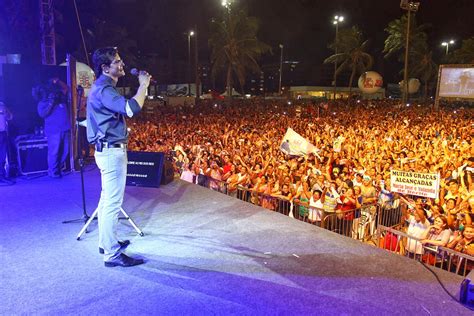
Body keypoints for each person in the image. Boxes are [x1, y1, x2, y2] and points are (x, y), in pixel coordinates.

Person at [87, 47, 151, 267]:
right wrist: (143, 85)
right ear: (105, 68)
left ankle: (107, 243)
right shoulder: (104, 90)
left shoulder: (102, 88)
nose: (122, 64)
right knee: (112, 203)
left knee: (106, 201)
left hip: (106, 149)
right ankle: (111, 255)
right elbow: (131, 108)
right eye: (117, 61)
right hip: (111, 151)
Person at [36, 78, 71, 178]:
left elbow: (66, 88)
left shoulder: (60, 97)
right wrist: (51, 103)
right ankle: (53, 171)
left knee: (65, 151)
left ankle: (58, 169)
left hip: (65, 128)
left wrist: (58, 81)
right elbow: (43, 114)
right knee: (54, 152)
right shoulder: (43, 103)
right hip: (53, 131)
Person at [0, 101, 13, 183]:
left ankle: (2, 175)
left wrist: (6, 110)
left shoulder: (2, 105)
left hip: (3, 133)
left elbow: (10, 117)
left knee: (3, 155)